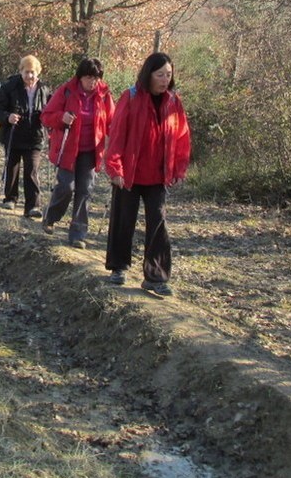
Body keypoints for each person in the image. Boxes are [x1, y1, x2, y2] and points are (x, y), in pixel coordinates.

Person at [104, 52, 191, 296]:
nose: (165, 80)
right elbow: (118, 134)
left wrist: (179, 168)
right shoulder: (131, 97)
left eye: (169, 75)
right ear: (149, 75)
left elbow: (182, 137)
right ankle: (118, 267)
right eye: (160, 74)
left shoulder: (174, 102)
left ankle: (156, 277)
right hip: (129, 174)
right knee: (124, 220)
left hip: (158, 175)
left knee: (158, 222)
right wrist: (115, 167)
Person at [40, 58, 115, 248]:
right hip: (68, 150)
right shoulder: (67, 91)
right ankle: (51, 217)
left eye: (96, 78)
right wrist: (61, 118)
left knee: (85, 190)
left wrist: (119, 137)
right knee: (66, 187)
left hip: (91, 150)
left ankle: (78, 234)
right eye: (89, 77)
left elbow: (113, 121)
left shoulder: (104, 95)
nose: (93, 82)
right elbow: (46, 116)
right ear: (80, 77)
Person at [0, 55, 49, 217]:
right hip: (13, 134)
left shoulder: (44, 90)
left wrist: (49, 119)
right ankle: (10, 198)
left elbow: (52, 110)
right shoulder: (9, 87)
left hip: (35, 136)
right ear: (21, 71)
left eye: (33, 72)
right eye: (26, 72)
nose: (30, 76)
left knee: (32, 170)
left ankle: (33, 206)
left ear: (38, 73)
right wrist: (7, 117)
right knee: (12, 167)